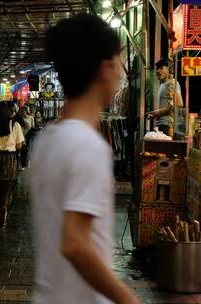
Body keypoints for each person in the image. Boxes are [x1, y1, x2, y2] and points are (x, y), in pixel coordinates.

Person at [30, 14, 139, 304]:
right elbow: (76, 244)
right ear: (105, 68)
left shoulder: (47, 140)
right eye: (118, 64)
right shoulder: (87, 146)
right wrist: (128, 299)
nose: (120, 75)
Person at [147, 58, 183, 136]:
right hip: (161, 126)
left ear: (168, 69)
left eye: (161, 68)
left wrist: (159, 112)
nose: (158, 71)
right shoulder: (162, 84)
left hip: (168, 126)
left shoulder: (173, 82)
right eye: (157, 69)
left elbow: (179, 104)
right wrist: (156, 114)